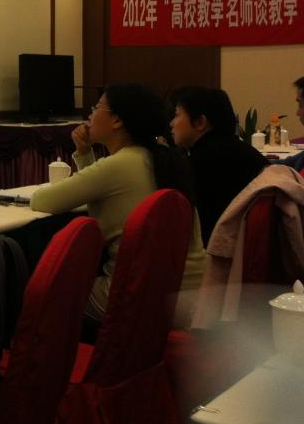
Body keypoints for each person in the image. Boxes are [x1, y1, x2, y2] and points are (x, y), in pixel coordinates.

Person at [30, 83, 205, 322]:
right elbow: (100, 187)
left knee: (47, 286)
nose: (90, 115)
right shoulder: (166, 159)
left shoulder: (120, 164)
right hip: (190, 295)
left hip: (140, 298)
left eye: (96, 108)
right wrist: (85, 154)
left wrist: (84, 155)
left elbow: (43, 200)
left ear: (117, 121)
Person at [170, 86, 268, 245]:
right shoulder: (242, 150)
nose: (172, 123)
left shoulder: (202, 161)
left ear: (200, 122)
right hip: (250, 245)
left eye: (176, 115)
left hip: (223, 250)